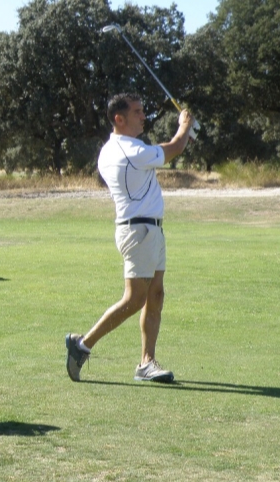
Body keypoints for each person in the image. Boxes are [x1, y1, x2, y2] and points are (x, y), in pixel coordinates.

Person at [66, 93, 195, 383]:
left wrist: (184, 134)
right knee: (135, 298)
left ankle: (146, 363)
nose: (143, 115)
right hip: (138, 230)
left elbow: (167, 150)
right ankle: (81, 345)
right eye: (137, 112)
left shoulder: (117, 150)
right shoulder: (130, 151)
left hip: (149, 228)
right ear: (119, 119)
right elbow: (173, 148)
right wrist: (184, 125)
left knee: (155, 295)